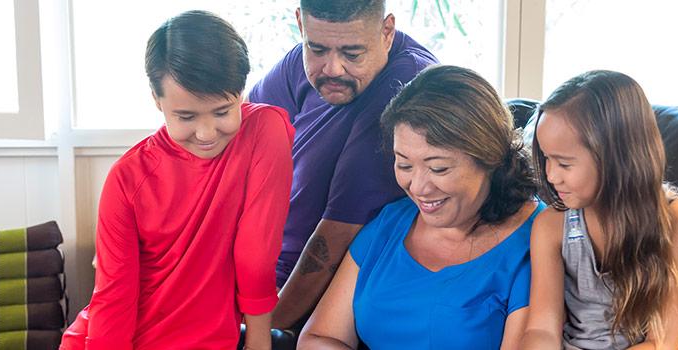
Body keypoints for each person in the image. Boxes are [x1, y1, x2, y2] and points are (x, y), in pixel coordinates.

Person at [60, 11, 293, 349]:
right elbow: (113, 299)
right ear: (157, 100)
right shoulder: (127, 180)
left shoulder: (263, 131)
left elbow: (256, 257)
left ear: (241, 91)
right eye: (185, 116)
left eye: (222, 111)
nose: (207, 133)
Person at [298, 65, 541, 349]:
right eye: (404, 164)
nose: (418, 187)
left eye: (438, 168)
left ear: (491, 159)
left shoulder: (536, 240)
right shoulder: (391, 223)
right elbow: (319, 338)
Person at [246, 0, 438, 332]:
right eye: (317, 49)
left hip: (319, 298)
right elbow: (244, 142)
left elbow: (336, 236)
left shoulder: (405, 87)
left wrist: (262, 332)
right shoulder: (303, 60)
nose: (332, 68)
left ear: (386, 32)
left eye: (352, 54)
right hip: (257, 268)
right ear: (301, 26)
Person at [521, 70, 678, 350]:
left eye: (564, 164)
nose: (551, 175)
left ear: (615, 156)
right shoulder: (551, 226)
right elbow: (542, 328)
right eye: (547, 159)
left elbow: (662, 343)